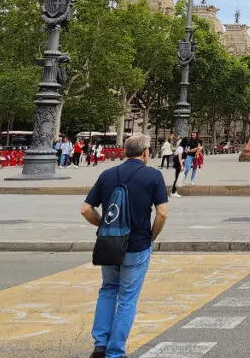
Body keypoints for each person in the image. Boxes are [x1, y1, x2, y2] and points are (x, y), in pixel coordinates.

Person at [81, 134, 168, 358]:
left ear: (125, 151)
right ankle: (115, 352)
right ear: (146, 152)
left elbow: (85, 209)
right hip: (137, 245)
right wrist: (152, 236)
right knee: (127, 297)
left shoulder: (108, 174)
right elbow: (162, 214)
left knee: (108, 290)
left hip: (109, 242)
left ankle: (100, 345)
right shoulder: (153, 176)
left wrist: (104, 223)